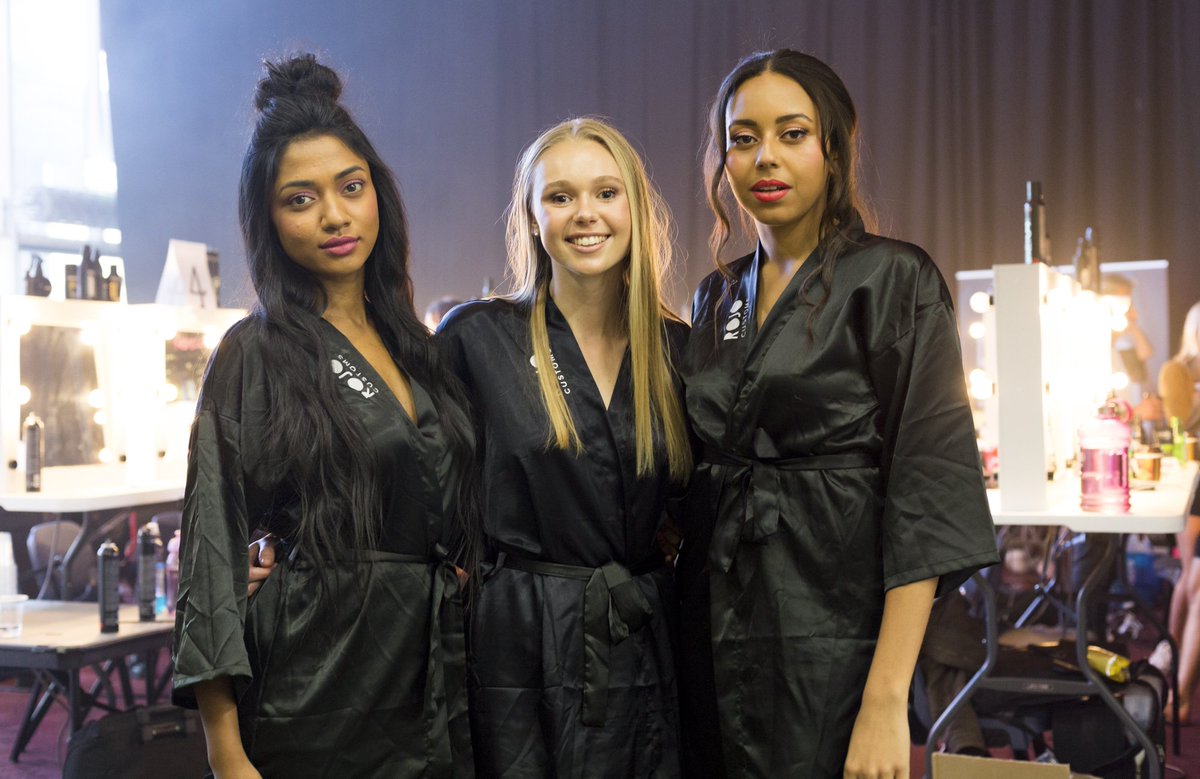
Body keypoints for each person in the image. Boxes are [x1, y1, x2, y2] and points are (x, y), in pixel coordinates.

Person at [675, 49, 999, 777]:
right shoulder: (715, 295)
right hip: (715, 615)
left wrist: (886, 701)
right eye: (743, 138)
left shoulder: (894, 278)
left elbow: (926, 491)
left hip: (832, 623)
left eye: (791, 133)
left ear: (833, 145)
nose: (765, 156)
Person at [171, 54, 476, 778]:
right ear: (269, 220)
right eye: (300, 199)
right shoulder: (255, 352)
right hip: (314, 692)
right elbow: (211, 554)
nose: (334, 216)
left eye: (351, 187)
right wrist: (225, 753)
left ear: (378, 195)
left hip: (433, 686)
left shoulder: (418, 348)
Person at [435, 117, 691, 776]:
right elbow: (405, 477)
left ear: (635, 207)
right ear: (532, 215)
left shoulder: (678, 350)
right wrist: (275, 541)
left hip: (645, 641)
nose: (585, 214)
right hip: (519, 650)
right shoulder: (477, 339)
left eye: (606, 192)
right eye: (560, 196)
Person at [1153, 301, 1200, 721]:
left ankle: (1180, 678)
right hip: (1194, 483)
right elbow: (1177, 424)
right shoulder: (1177, 372)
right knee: (1191, 575)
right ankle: (1172, 660)